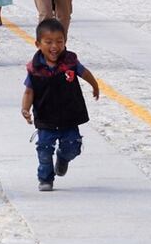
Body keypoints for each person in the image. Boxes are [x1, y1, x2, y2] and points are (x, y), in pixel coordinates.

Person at [21, 18, 99, 192]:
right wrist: (25, 109)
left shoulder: (70, 62)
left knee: (73, 145)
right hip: (46, 116)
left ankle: (63, 158)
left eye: (59, 41)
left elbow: (85, 73)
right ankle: (45, 178)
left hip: (69, 115)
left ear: (65, 42)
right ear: (38, 44)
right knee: (44, 149)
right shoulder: (34, 69)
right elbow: (28, 91)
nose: (54, 46)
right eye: (48, 42)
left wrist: (95, 85)